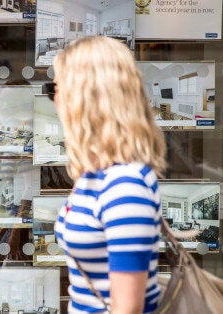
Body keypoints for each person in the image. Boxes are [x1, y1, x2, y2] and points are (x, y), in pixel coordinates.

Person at [52, 36, 167, 314]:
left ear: (82, 98)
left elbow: (127, 309)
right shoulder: (96, 175)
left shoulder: (125, 185)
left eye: (55, 88)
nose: (54, 98)